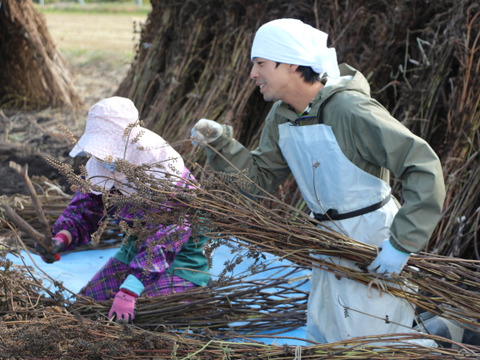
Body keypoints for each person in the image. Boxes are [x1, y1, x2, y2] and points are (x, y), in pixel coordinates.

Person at [190, 18, 446, 344]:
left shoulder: (349, 109)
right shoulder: (282, 116)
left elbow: (422, 165)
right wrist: (220, 144)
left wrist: (401, 243)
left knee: (375, 342)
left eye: (260, 63)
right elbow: (258, 182)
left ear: (292, 63)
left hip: (372, 244)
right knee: (327, 335)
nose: (253, 74)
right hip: (327, 245)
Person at [36, 96, 210, 322]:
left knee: (144, 319)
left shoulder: (162, 168)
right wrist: (61, 238)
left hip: (180, 259)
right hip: (134, 249)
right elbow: (84, 210)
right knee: (85, 309)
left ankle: (191, 291)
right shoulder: (101, 165)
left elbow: (167, 237)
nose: (100, 156)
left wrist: (130, 288)